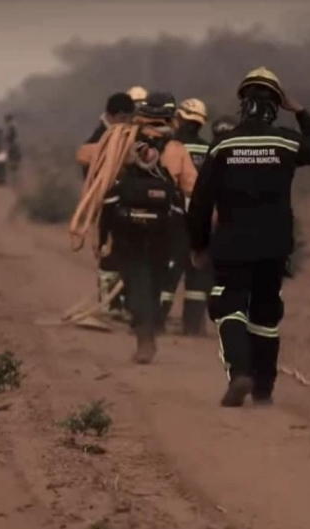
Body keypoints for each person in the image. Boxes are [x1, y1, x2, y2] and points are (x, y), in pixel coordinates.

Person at [187, 67, 310, 407]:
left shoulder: (223, 145)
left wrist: (198, 244)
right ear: (275, 107)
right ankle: (264, 390)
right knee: (266, 314)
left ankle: (240, 374)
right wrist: (300, 111)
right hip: (274, 245)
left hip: (232, 245)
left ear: (243, 106)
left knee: (229, 306)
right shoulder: (286, 141)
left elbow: (200, 201)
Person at [75, 91, 197, 364]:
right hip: (165, 228)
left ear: (141, 114)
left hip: (126, 225)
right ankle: (150, 327)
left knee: (133, 277)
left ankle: (144, 336)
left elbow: (82, 156)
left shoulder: (123, 140)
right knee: (155, 279)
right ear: (171, 115)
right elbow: (194, 188)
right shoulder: (176, 150)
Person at [76, 92, 137, 317]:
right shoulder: (99, 137)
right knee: (107, 254)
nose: (128, 122)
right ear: (115, 115)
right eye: (125, 117)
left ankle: (124, 304)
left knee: (126, 253)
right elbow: (86, 161)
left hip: (124, 202)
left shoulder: (126, 135)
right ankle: (109, 307)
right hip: (105, 203)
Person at [159, 98, 212, 336]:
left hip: (179, 218)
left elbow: (168, 182)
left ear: (179, 119)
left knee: (170, 269)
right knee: (198, 272)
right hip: (207, 220)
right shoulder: (210, 149)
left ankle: (157, 321)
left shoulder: (174, 148)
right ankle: (192, 325)